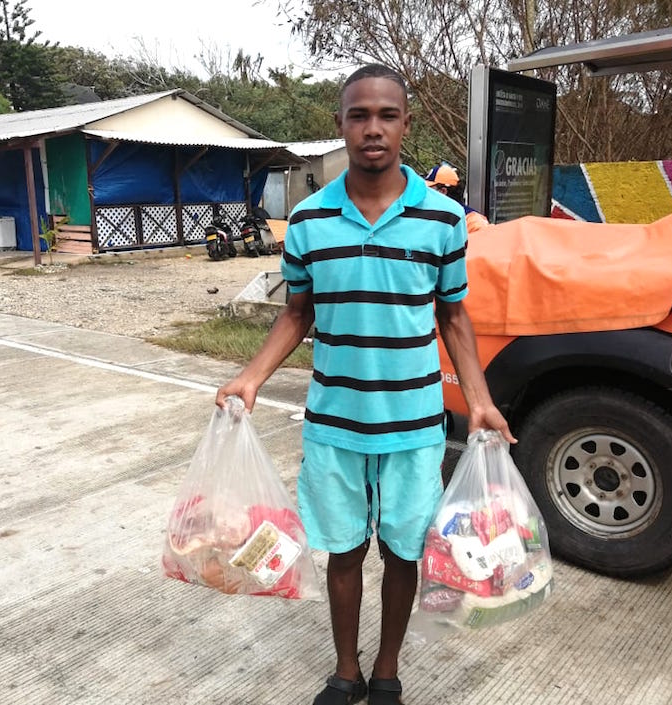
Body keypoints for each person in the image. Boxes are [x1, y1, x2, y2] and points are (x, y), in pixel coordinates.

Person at [216, 63, 515, 705]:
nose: (372, 128)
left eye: (386, 115)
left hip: (413, 428)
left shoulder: (442, 220)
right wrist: (249, 377)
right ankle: (346, 670)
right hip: (334, 425)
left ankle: (386, 672)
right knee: (344, 553)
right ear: (341, 126)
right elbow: (297, 313)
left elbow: (453, 315)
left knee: (404, 552)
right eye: (359, 115)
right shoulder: (306, 222)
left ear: (405, 124)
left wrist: (482, 401)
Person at [424, 162, 491, 233]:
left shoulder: (473, 221)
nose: (425, 195)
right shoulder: (431, 219)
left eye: (429, 190)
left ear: (443, 191)